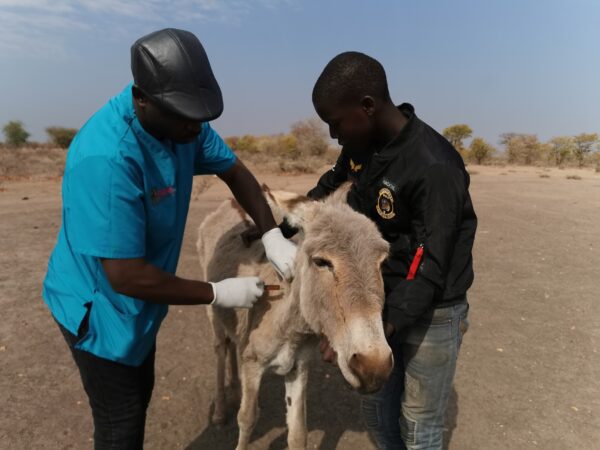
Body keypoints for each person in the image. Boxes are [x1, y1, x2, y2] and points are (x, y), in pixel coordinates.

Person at [41, 28, 296, 450]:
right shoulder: (106, 159)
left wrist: (271, 233)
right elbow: (124, 275)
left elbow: (235, 171)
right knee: (119, 421)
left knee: (139, 396)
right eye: (186, 117)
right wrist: (216, 291)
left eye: (201, 116)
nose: (197, 129)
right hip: (99, 309)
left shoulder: (182, 121)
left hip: (139, 305)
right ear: (142, 99)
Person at [308, 52, 477, 450]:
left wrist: (371, 334)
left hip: (433, 309)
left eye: (335, 123)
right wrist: (282, 228)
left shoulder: (434, 167)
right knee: (377, 413)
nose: (334, 135)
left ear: (367, 107)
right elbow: (327, 192)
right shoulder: (360, 149)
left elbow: (430, 263)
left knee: (418, 427)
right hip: (380, 297)